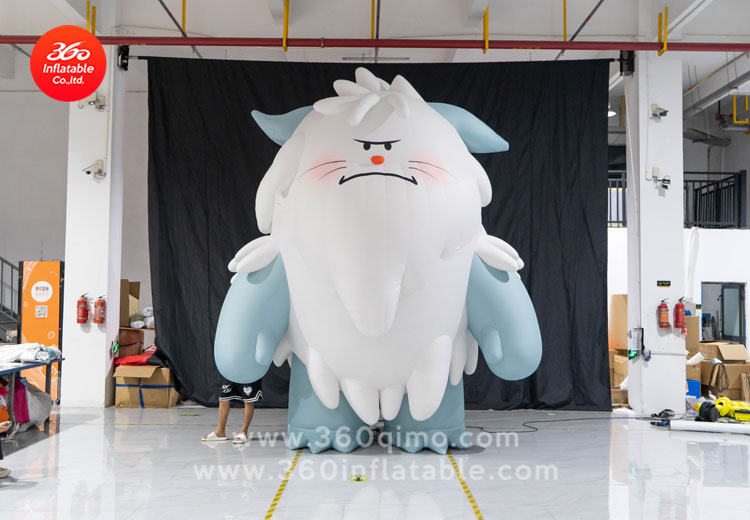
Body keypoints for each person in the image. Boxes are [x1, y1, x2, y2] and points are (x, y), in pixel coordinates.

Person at [202, 379, 262, 444]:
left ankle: (243, 432)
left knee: (248, 398)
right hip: (231, 373)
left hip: (249, 374)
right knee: (223, 396)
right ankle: (220, 432)